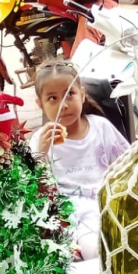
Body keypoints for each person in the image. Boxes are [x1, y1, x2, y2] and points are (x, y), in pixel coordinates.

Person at [30, 60, 130, 260]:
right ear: (40, 104)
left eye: (70, 94)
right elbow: (31, 187)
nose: (64, 105)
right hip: (61, 211)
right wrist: (40, 154)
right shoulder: (40, 140)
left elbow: (128, 165)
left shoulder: (101, 128)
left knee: (100, 250)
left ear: (82, 95)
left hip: (101, 205)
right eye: (52, 98)